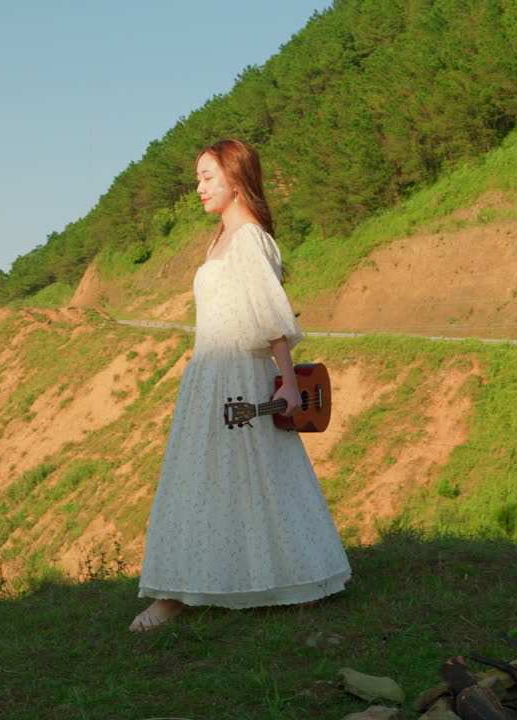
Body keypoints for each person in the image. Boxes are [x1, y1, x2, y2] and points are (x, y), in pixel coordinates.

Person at [129, 139, 352, 632]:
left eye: (207, 176)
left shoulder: (250, 238)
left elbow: (273, 318)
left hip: (240, 378)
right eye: (197, 178)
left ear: (235, 176)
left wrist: (289, 385)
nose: (199, 187)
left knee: (264, 481)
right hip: (209, 375)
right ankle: (178, 591)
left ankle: (295, 579)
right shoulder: (221, 240)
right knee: (199, 479)